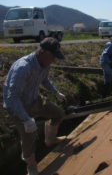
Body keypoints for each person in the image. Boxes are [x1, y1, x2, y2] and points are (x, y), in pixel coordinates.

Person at [3, 37, 66, 175]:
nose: (54, 61)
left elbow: (44, 80)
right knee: (29, 135)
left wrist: (56, 92)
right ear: (43, 52)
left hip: (34, 100)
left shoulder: (45, 64)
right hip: (17, 107)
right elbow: (12, 98)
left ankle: (50, 140)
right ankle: (31, 167)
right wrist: (25, 119)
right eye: (53, 57)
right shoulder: (23, 67)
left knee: (58, 113)